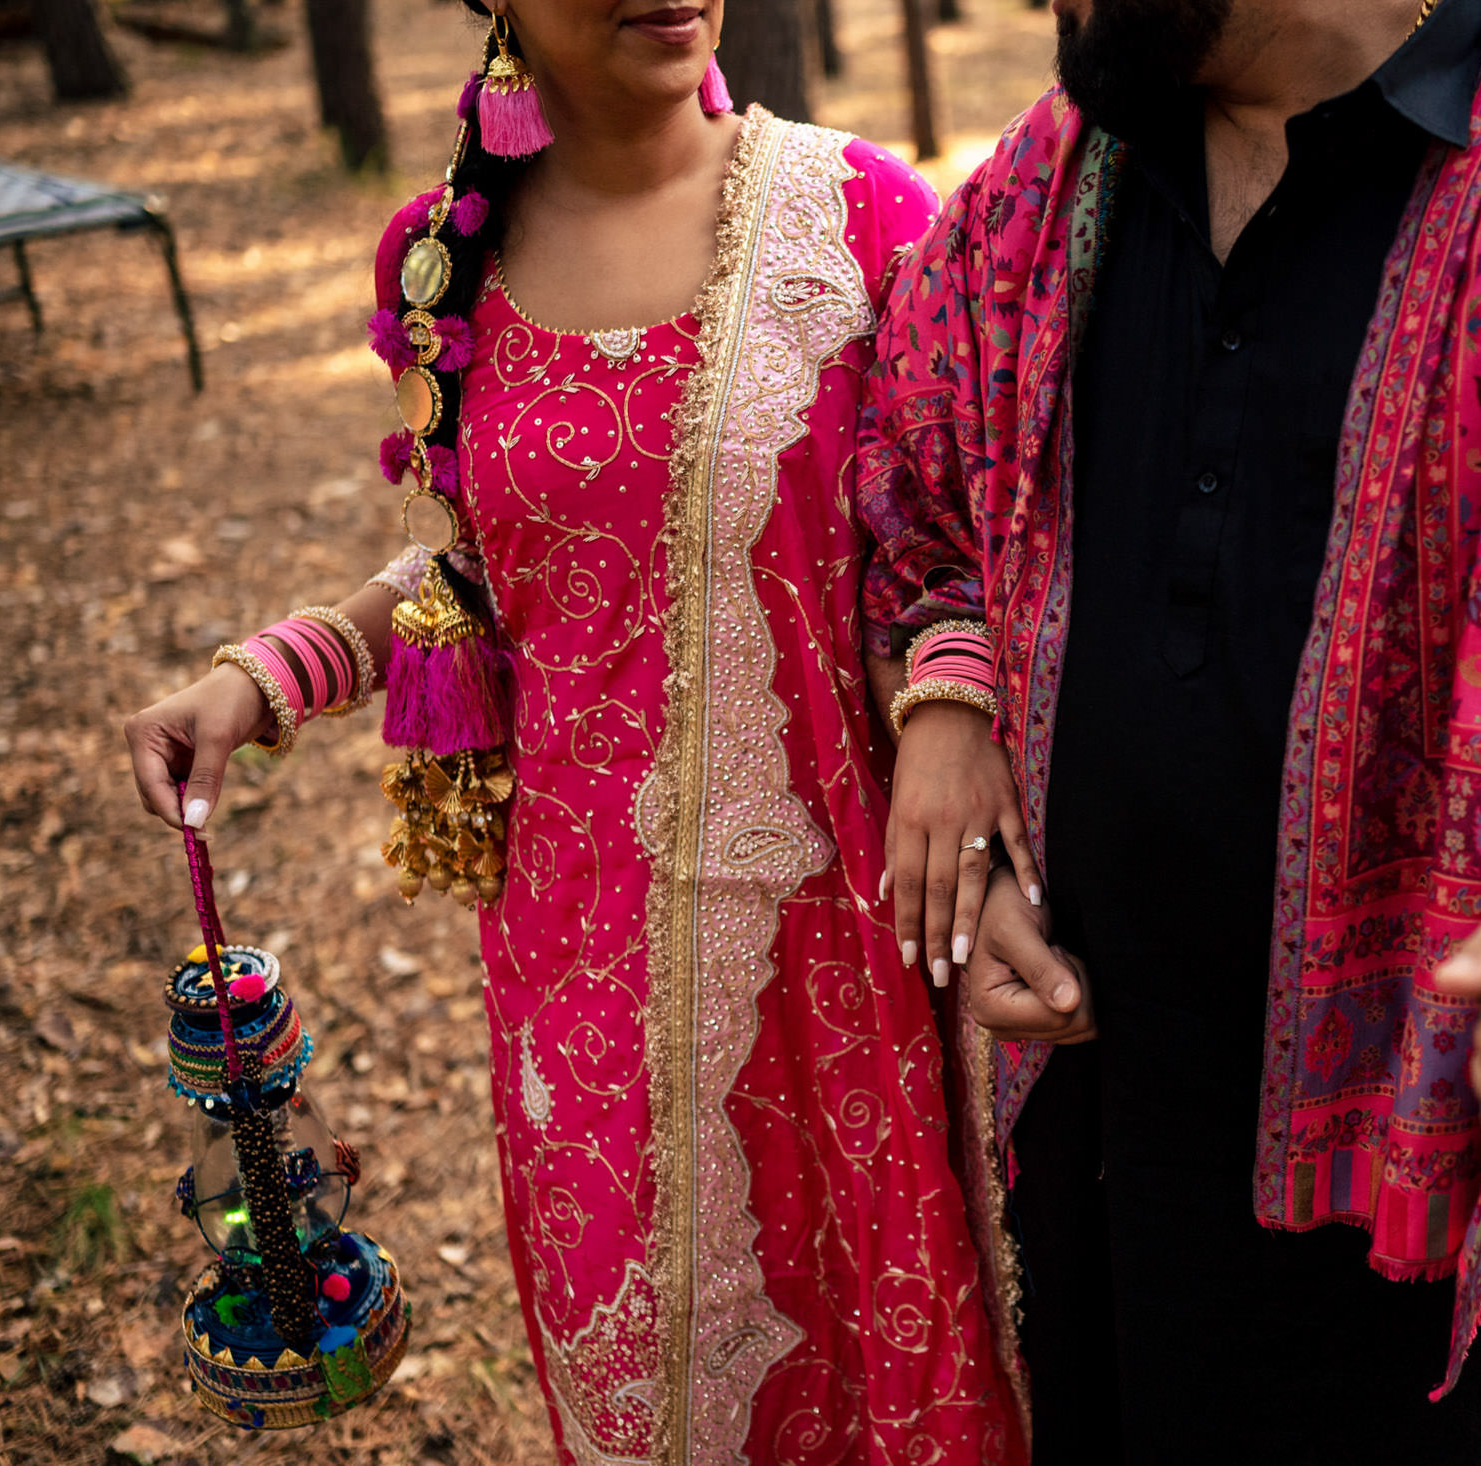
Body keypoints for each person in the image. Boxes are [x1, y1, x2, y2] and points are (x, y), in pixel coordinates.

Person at [858, 0, 1481, 1459]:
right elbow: (923, 477)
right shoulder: (1057, 174)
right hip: (1093, 1148)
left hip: (1419, 1227)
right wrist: (950, 700)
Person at [122, 2, 1028, 1460]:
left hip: (855, 946)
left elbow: (959, 530)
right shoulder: (443, 261)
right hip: (580, 973)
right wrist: (268, 676)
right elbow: (466, 574)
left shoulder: (856, 214)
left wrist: (952, 709)